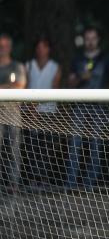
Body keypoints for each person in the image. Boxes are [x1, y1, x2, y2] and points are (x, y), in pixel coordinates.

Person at [67, 26, 109, 189]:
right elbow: (70, 84)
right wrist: (81, 77)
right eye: (87, 38)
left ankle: (90, 185)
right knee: (75, 145)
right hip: (79, 106)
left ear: (98, 39)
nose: (90, 42)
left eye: (93, 38)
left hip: (99, 108)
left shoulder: (106, 58)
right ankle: (71, 184)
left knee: (96, 147)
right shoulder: (77, 58)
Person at [24, 36, 62, 188]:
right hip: (31, 111)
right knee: (32, 147)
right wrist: (32, 107)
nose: (41, 50)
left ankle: (44, 179)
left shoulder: (55, 67)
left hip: (48, 111)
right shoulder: (28, 65)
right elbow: (26, 87)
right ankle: (33, 179)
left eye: (44, 47)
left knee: (46, 147)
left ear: (49, 49)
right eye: (38, 47)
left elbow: (54, 88)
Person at [0, 33, 26, 191]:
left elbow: (19, 85)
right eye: (0, 45)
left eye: (5, 45)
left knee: (13, 148)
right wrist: (7, 86)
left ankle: (13, 184)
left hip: (12, 113)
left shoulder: (17, 66)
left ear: (10, 47)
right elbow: (12, 85)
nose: (2, 48)